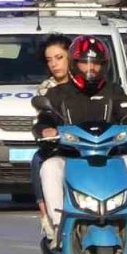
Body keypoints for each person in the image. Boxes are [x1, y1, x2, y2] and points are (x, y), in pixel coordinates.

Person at [34, 36, 127, 246]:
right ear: (74, 63)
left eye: (95, 63)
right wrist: (45, 129)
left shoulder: (113, 91)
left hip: (108, 157)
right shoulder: (57, 93)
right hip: (70, 158)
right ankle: (59, 227)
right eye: (84, 62)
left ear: (104, 66)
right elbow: (43, 120)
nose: (90, 68)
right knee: (49, 166)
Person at [33, 34, 73, 239]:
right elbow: (42, 120)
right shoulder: (46, 89)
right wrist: (47, 130)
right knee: (39, 159)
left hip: (89, 145)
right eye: (50, 60)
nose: (54, 64)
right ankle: (47, 217)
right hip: (60, 146)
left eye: (59, 57)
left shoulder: (86, 83)